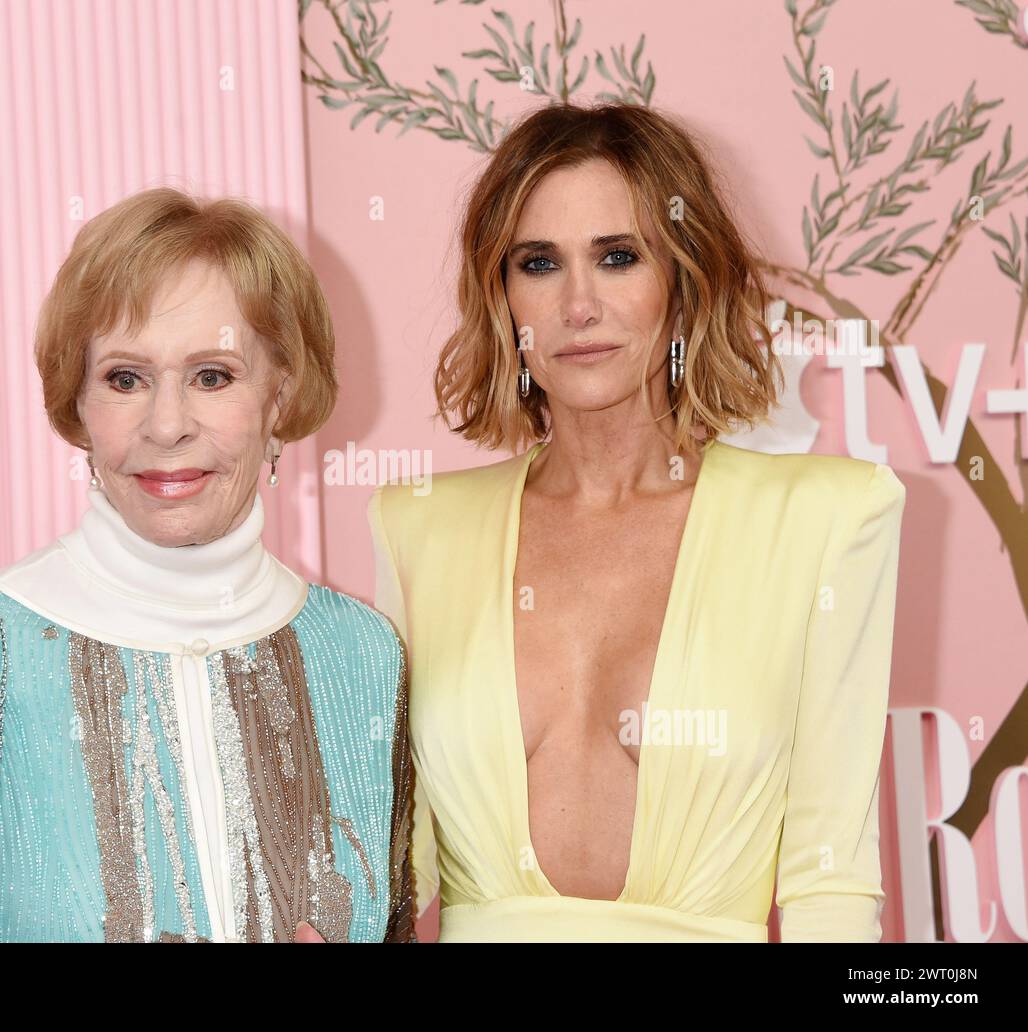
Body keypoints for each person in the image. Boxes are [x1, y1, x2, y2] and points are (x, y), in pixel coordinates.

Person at [368, 102, 905, 942]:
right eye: (538, 262)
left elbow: (829, 885)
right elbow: (394, 880)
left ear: (684, 282)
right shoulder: (417, 530)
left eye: (618, 257)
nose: (578, 305)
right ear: (502, 297)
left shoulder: (827, 521)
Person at [0, 187, 414, 943]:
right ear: (79, 405)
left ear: (280, 397)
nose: (167, 426)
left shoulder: (364, 657)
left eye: (213, 376)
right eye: (126, 379)